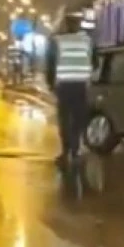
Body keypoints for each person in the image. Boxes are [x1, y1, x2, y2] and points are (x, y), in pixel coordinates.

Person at [45, 10, 96, 167]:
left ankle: (65, 151)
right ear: (79, 25)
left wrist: (50, 83)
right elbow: (95, 62)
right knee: (78, 119)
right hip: (81, 86)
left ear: (66, 25)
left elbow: (51, 64)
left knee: (65, 120)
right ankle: (75, 149)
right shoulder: (87, 41)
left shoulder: (58, 41)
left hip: (64, 86)